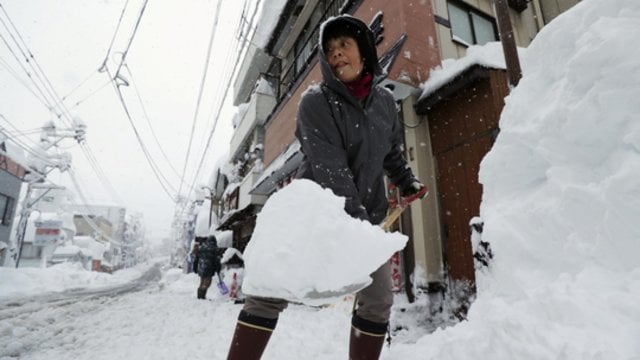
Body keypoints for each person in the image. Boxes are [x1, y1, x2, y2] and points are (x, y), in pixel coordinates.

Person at [225, 15, 426, 360]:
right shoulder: (315, 102)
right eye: (330, 50)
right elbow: (330, 168)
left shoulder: (385, 104)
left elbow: (389, 150)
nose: (336, 55)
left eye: (344, 45)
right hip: (316, 215)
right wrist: (360, 224)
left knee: (378, 301)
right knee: (269, 293)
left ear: (363, 51)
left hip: (365, 217)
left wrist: (407, 181)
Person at [196, 234, 222, 300]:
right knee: (207, 283)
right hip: (208, 268)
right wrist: (218, 268)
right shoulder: (214, 248)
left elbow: (197, 258)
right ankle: (201, 296)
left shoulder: (202, 247)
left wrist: (196, 267)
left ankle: (199, 295)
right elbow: (216, 260)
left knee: (202, 282)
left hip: (201, 267)